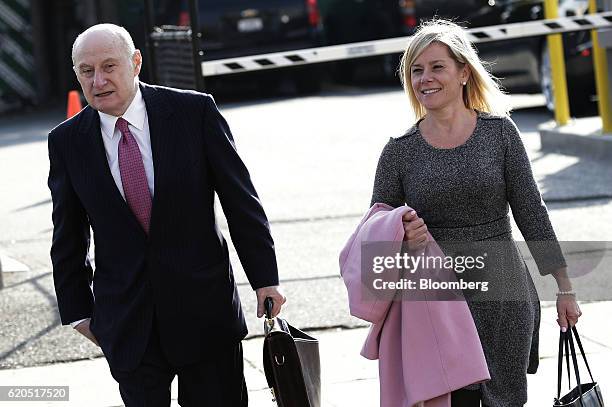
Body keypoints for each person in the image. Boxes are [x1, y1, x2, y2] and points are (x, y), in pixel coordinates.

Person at [47, 23, 285, 407]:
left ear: (136, 62)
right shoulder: (66, 141)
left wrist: (265, 280)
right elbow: (68, 234)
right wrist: (77, 312)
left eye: (109, 66)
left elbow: (241, 202)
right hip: (127, 323)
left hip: (204, 313)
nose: (99, 80)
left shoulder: (194, 112)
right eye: (86, 71)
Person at [370, 20, 582, 406]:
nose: (425, 79)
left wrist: (564, 288)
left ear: (464, 72)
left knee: (506, 399)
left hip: (504, 298)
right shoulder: (399, 151)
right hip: (437, 305)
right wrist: (402, 233)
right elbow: (374, 233)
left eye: (437, 67)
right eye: (416, 70)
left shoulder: (500, 134)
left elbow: (532, 213)